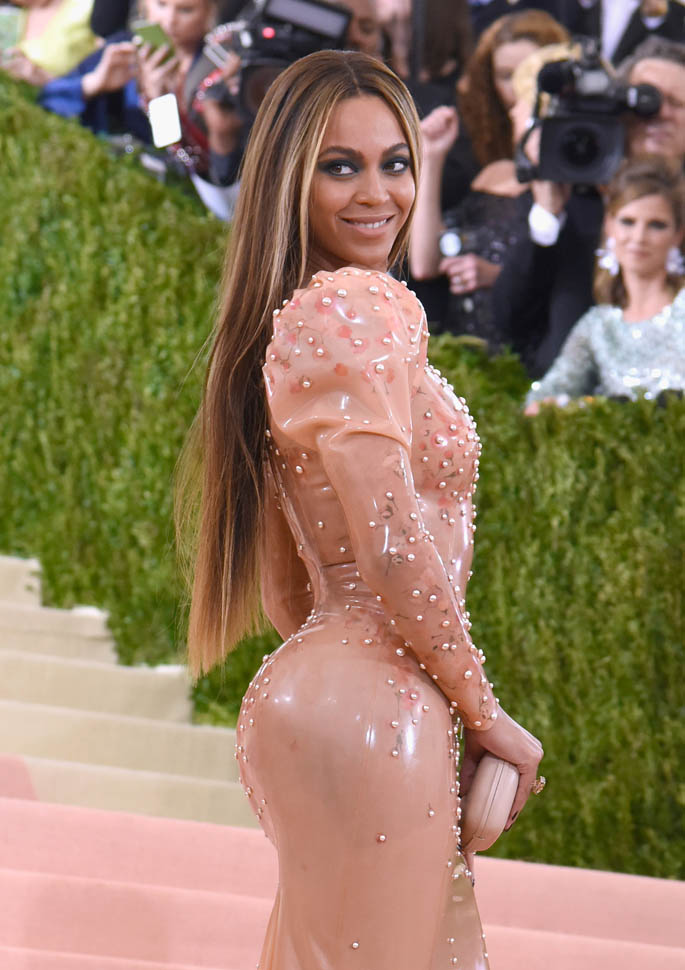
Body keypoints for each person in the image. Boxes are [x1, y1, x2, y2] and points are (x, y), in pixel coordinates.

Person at [178, 49, 543, 968]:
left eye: (396, 162)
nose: (377, 194)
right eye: (340, 166)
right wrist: (483, 715)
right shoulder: (361, 303)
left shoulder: (285, 324)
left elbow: (286, 593)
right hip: (375, 706)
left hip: (312, 696)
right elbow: (387, 543)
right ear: (290, 180)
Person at [492, 34, 685, 379]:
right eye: (646, 99)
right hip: (561, 400)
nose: (659, 113)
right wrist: (547, 216)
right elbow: (509, 320)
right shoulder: (568, 191)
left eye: (677, 103)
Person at [409, 11, 569, 342]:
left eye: (531, 74)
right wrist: (431, 157)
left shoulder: (574, 184)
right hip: (462, 347)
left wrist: (499, 276)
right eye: (506, 76)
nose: (520, 89)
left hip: (528, 346)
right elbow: (425, 264)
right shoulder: (493, 172)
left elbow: (577, 281)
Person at [524, 157, 685, 412]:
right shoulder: (598, 326)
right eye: (627, 221)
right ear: (609, 225)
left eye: (656, 225)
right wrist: (585, 408)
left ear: (677, 234)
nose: (639, 237)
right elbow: (538, 402)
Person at [1, 0, 97, 86]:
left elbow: (100, 77)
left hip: (77, 95)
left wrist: (46, 80)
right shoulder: (11, 19)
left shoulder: (86, 5)